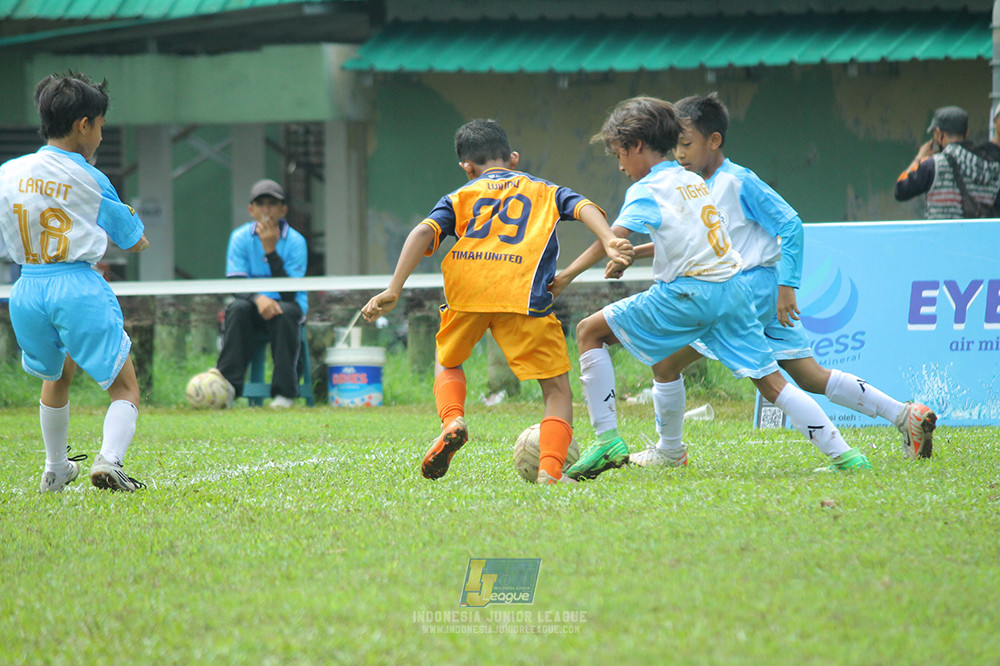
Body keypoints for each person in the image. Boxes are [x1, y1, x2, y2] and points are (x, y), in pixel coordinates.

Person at [612, 92, 936, 470]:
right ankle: (904, 415)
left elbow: (790, 224)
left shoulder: (738, 181)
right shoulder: (697, 185)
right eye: (675, 146)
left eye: (686, 144)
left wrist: (788, 285)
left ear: (713, 141)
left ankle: (670, 452)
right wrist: (639, 252)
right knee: (810, 375)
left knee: (667, 364)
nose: (680, 154)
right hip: (752, 290)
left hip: (742, 290)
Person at [555, 96, 870, 482]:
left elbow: (613, 236)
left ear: (637, 146)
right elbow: (687, 237)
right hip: (733, 292)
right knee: (772, 383)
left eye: (620, 154)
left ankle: (606, 439)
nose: (620, 166)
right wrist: (629, 254)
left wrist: (568, 274)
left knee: (589, 331)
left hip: (689, 294)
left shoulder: (646, 189)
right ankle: (846, 456)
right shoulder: (693, 181)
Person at [361, 118, 632, 484]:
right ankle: (551, 472)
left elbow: (424, 231)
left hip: (467, 292)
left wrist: (394, 287)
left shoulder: (461, 196)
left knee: (448, 362)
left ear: (467, 168)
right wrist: (609, 239)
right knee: (555, 390)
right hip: (523, 294)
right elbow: (585, 207)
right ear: (514, 158)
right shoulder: (543, 190)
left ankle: (453, 419)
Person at [0, 71, 150, 492]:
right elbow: (132, 239)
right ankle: (109, 460)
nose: (101, 136)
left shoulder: (8, 173)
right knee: (125, 388)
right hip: (76, 285)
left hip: (26, 288)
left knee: (57, 374)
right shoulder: (89, 175)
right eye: (101, 126)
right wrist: (138, 238)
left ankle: (54, 469)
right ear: (84, 124)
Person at [211, 179, 308, 408]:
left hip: (287, 306)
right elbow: (236, 283)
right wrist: (258, 298)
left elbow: (291, 293)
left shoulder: (296, 242)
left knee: (284, 312)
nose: (266, 210)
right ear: (251, 209)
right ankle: (228, 387)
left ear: (283, 210)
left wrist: (270, 250)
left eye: (272, 204)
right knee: (237, 308)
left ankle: (285, 393)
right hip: (253, 306)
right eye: (261, 203)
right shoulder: (239, 238)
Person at [895, 105, 1000, 219]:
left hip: (941, 236)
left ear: (938, 133)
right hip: (978, 236)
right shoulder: (992, 166)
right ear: (966, 133)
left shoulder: (933, 165)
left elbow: (901, 191)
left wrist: (919, 157)